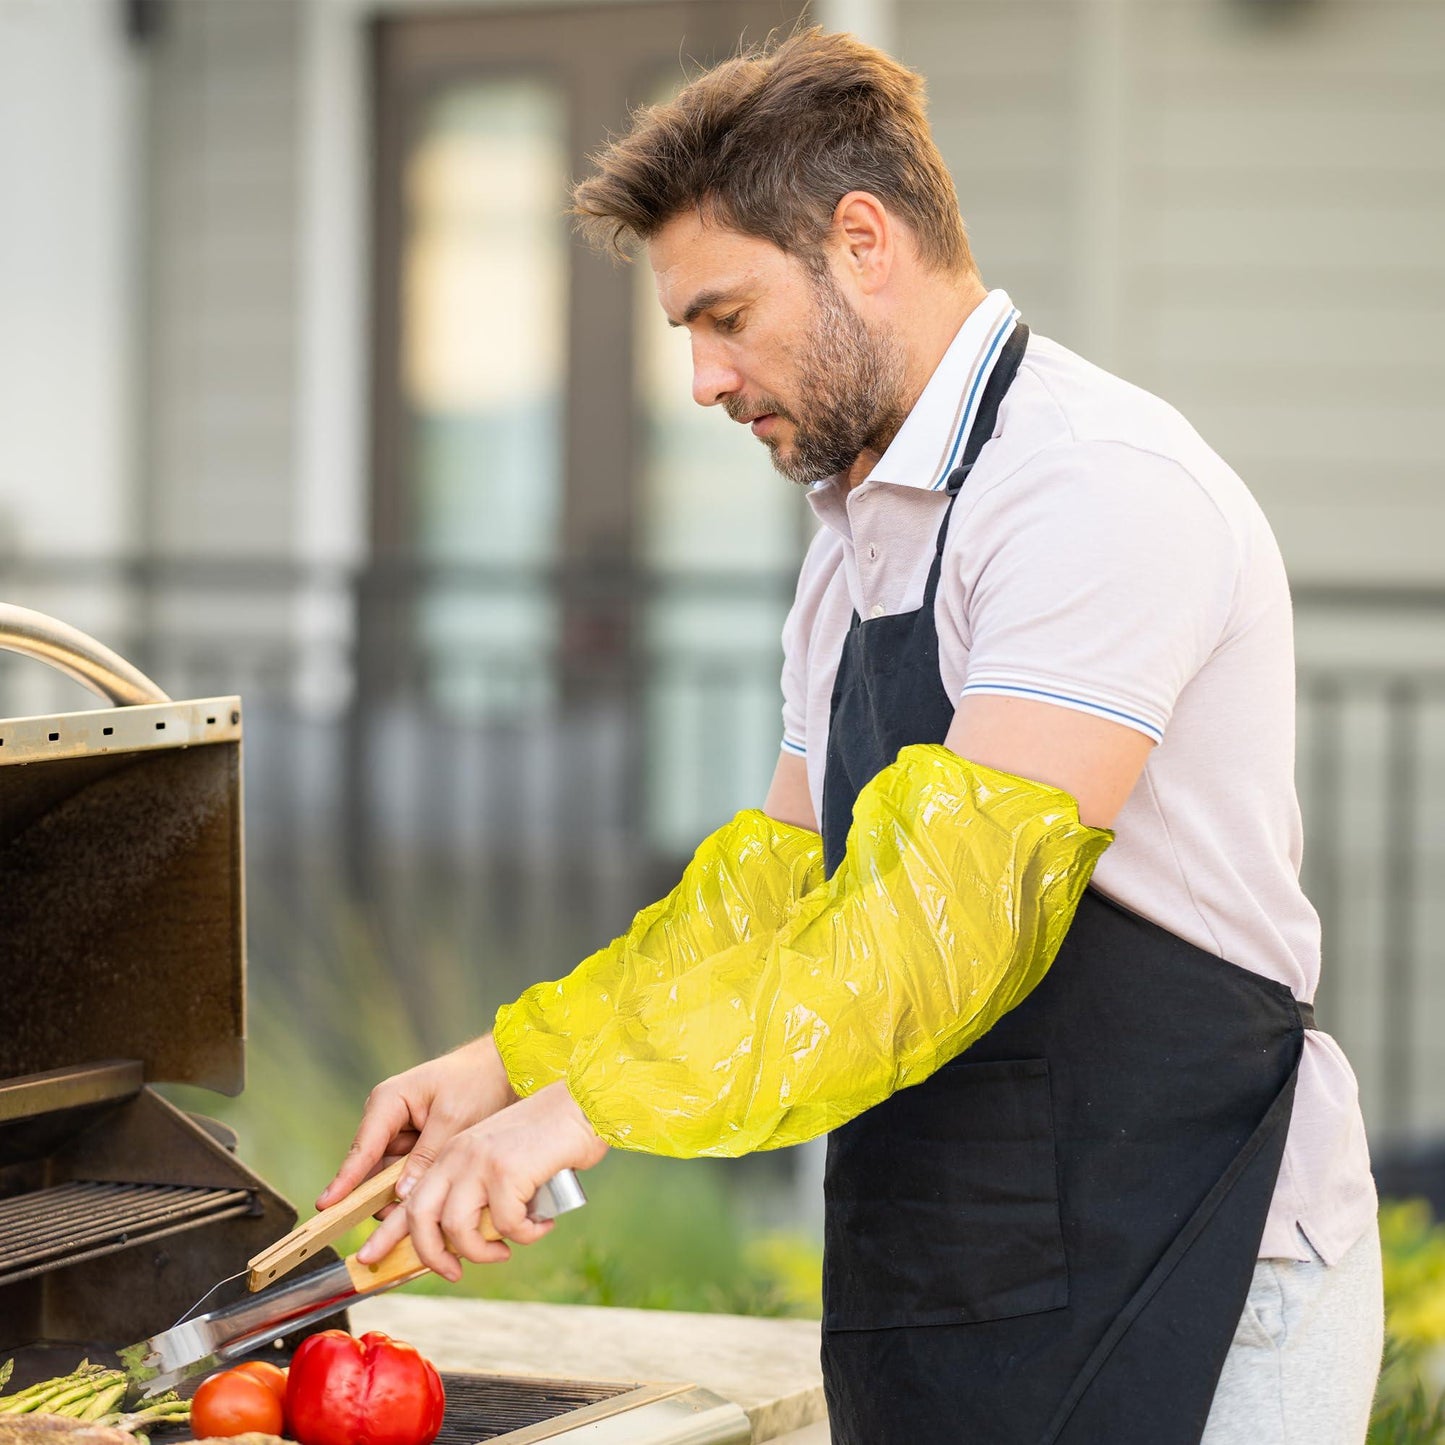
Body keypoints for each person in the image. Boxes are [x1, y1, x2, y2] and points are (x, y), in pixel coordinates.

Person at [323, 27, 1382, 1445]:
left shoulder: (1091, 492)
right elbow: (772, 893)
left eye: (724, 315)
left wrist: (583, 1113)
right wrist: (506, 1065)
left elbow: (937, 929)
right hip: (971, 1261)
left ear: (861, 240)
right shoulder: (858, 537)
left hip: (1197, 1265)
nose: (701, 378)